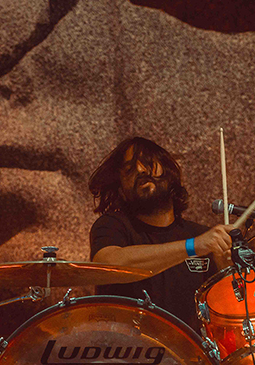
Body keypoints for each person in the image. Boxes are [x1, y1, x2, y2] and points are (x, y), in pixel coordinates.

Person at [89, 137, 234, 329]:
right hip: (125, 345)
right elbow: (106, 266)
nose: (140, 170)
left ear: (169, 173)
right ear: (121, 190)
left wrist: (226, 269)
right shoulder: (112, 226)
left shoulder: (202, 235)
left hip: (190, 347)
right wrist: (193, 246)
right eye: (129, 169)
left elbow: (228, 315)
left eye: (148, 163)